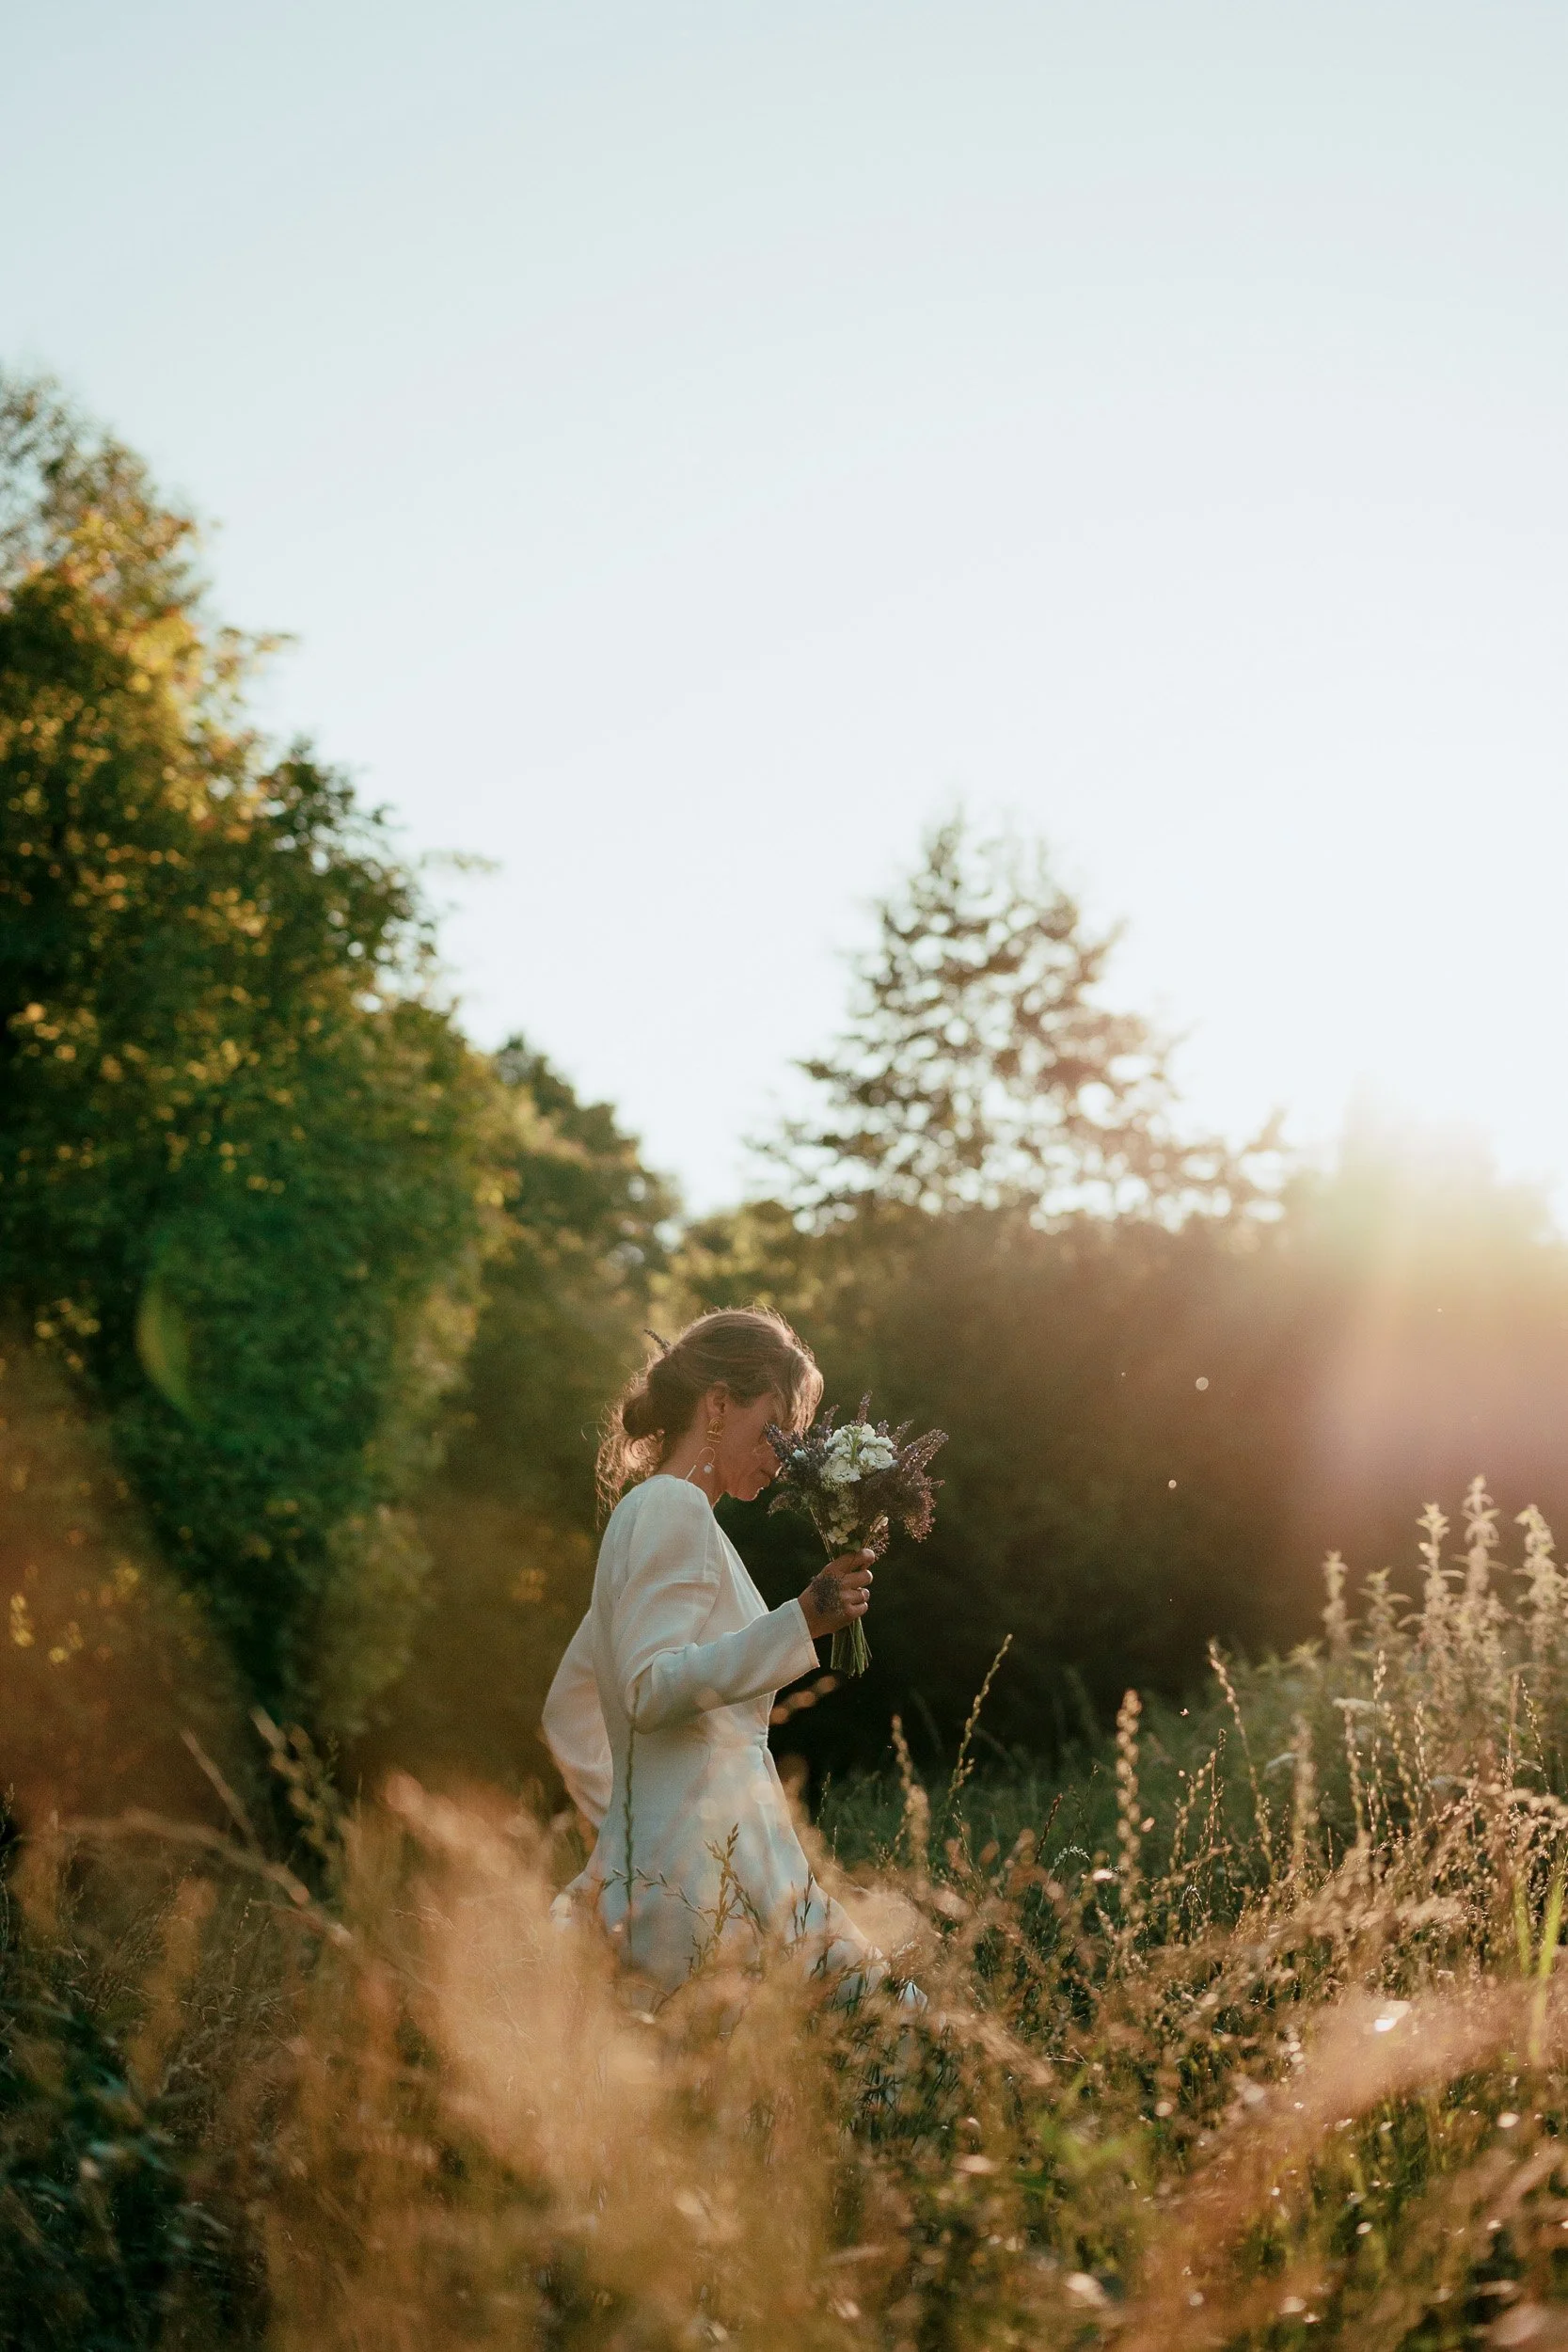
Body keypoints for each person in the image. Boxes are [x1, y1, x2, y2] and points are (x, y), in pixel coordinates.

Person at [542, 1307, 894, 1994]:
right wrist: (800, 1620)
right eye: (772, 1430)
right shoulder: (673, 1510)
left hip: (711, 1857)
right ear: (719, 1403)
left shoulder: (652, 1512)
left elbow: (568, 1708)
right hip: (706, 1872)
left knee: (873, 2024)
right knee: (886, 2028)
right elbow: (648, 1688)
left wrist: (632, 1831)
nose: (780, 1457)